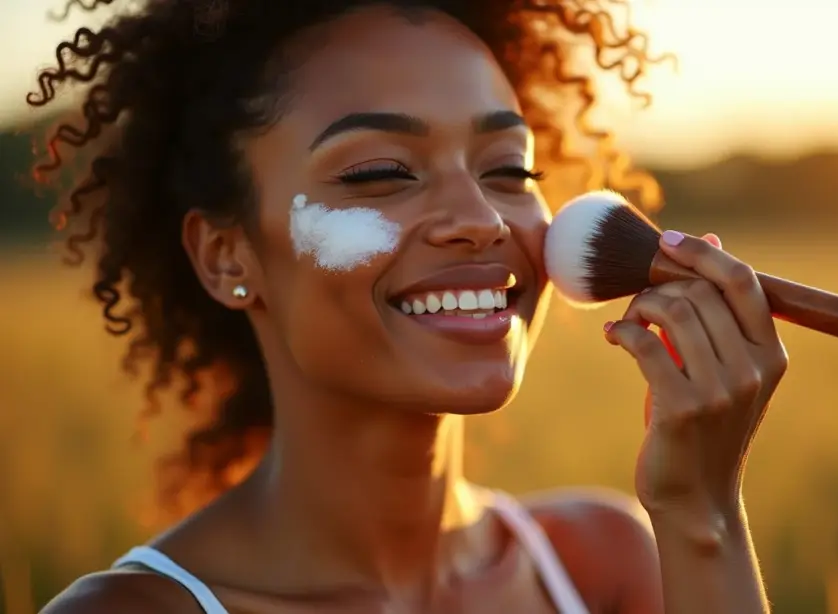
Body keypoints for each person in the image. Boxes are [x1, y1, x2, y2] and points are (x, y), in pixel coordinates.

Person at [32, 0, 788, 612]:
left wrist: (701, 515)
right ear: (226, 255)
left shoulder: (606, 565)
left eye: (508, 168)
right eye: (382, 172)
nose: (483, 219)